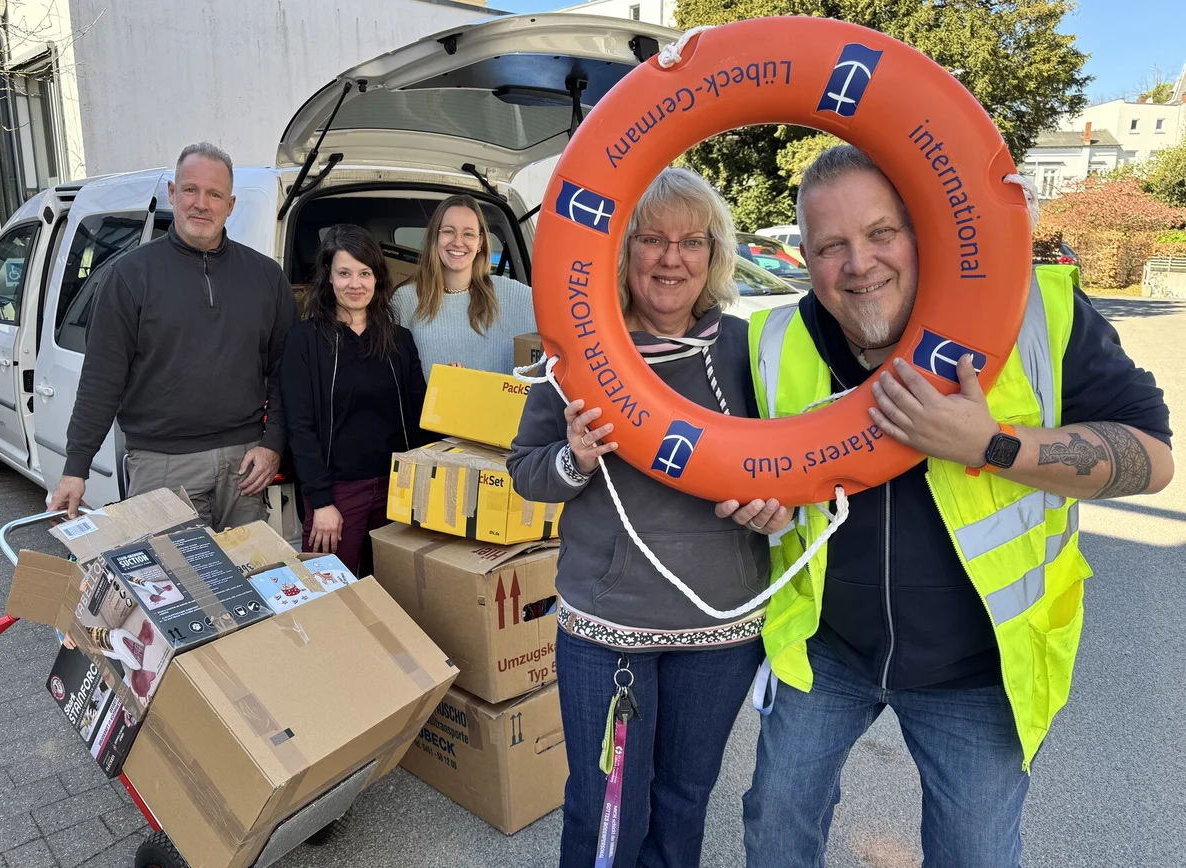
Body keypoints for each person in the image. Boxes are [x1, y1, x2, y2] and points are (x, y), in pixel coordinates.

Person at [739, 145, 1174, 867]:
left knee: (975, 855)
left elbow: (1151, 461)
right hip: (826, 652)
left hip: (978, 669)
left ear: (922, 232)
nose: (860, 264)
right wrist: (767, 510)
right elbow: (759, 475)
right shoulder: (774, 340)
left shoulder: (1037, 311)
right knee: (775, 824)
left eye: (882, 233)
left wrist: (994, 443)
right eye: (830, 246)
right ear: (807, 259)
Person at [508, 167, 783, 868]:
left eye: (692, 242)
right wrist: (572, 457)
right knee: (606, 805)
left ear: (715, 255)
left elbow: (793, 469)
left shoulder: (750, 353)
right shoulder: (575, 353)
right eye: (653, 240)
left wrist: (777, 509)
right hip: (609, 628)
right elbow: (526, 471)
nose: (671, 258)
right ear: (624, 252)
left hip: (722, 628)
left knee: (687, 798)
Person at [49, 143, 297, 529]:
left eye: (214, 194)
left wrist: (273, 444)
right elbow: (101, 380)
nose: (202, 203)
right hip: (161, 466)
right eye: (190, 190)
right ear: (172, 194)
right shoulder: (129, 276)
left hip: (245, 465)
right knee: (171, 584)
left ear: (230, 205)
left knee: (250, 579)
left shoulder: (266, 277)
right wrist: (75, 468)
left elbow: (285, 373)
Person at [280, 224, 427, 575]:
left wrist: (453, 395)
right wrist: (322, 502)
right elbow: (300, 427)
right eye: (344, 273)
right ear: (328, 278)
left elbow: (420, 414)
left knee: (396, 594)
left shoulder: (399, 341)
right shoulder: (305, 341)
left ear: (377, 278)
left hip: (396, 491)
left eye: (364, 273)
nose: (355, 284)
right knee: (331, 596)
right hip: (337, 494)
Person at [391, 194, 536, 374]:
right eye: (449, 231)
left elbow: (563, 321)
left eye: (468, 234)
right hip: (429, 403)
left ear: (480, 242)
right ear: (434, 237)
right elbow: (391, 374)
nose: (458, 242)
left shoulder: (511, 293)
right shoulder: (406, 299)